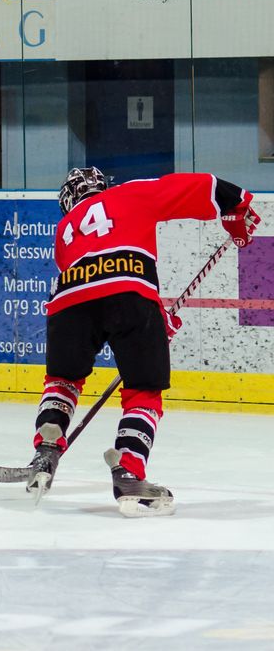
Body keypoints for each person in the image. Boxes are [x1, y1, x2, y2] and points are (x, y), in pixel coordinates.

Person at [24, 167, 261, 517]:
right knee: (143, 390)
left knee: (63, 381)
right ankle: (128, 469)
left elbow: (95, 283)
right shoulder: (129, 193)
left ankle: (47, 443)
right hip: (129, 292)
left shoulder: (65, 228)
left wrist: (153, 317)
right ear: (103, 186)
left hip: (67, 299)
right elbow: (201, 186)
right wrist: (237, 206)